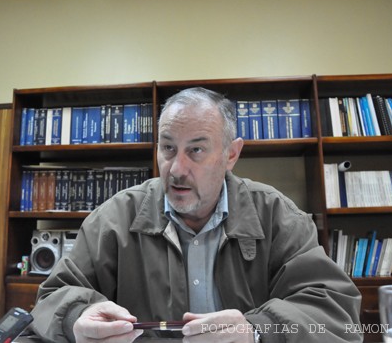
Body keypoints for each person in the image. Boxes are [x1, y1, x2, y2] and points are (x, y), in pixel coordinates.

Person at [29, 87, 362, 343]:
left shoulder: (277, 216)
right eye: (168, 148)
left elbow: (336, 314)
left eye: (196, 150)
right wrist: (77, 316)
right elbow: (52, 297)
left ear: (231, 154)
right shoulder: (114, 218)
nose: (176, 168)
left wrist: (257, 330)